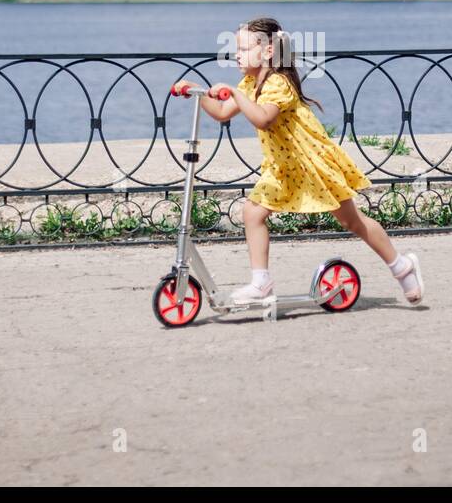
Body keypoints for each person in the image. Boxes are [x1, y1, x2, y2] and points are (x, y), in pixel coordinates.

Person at [173, 16, 424, 306]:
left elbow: (263, 119)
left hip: (311, 163)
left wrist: (238, 94)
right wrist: (198, 90)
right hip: (283, 168)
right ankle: (260, 283)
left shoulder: (279, 83)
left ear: (268, 51)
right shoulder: (250, 82)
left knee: (352, 221)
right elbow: (220, 111)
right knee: (252, 214)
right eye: (235, 49)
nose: (236, 55)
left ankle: (401, 267)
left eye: (242, 48)